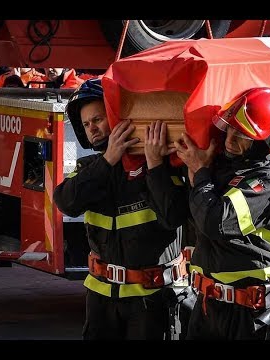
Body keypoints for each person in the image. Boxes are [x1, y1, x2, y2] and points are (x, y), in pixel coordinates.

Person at [53, 78, 189, 340]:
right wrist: (108, 161)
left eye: (98, 119)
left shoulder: (158, 164)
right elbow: (66, 202)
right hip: (101, 303)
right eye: (86, 124)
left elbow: (173, 216)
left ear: (117, 117)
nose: (92, 128)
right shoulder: (93, 168)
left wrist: (154, 164)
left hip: (150, 301)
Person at [174, 87, 270, 340]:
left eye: (242, 135)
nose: (230, 140)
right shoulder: (224, 165)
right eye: (230, 128)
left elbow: (214, 221)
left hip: (248, 313)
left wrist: (200, 172)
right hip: (207, 304)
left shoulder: (268, 181)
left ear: (267, 141)